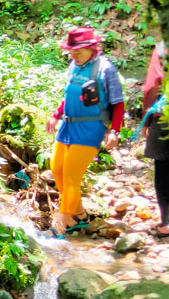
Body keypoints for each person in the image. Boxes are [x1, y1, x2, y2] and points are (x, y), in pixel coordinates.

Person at [44, 27, 126, 236]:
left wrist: (114, 131)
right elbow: (69, 95)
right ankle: (79, 216)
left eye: (78, 52)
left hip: (91, 126)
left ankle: (60, 226)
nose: (74, 55)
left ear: (91, 48)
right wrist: (56, 115)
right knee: (57, 168)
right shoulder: (73, 65)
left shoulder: (106, 69)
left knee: (72, 175)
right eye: (71, 52)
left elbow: (118, 103)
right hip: (68, 125)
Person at [142, 41, 169, 237]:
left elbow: (151, 87)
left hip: (165, 115)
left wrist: (146, 120)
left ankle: (165, 222)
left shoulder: (164, 47)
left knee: (163, 168)